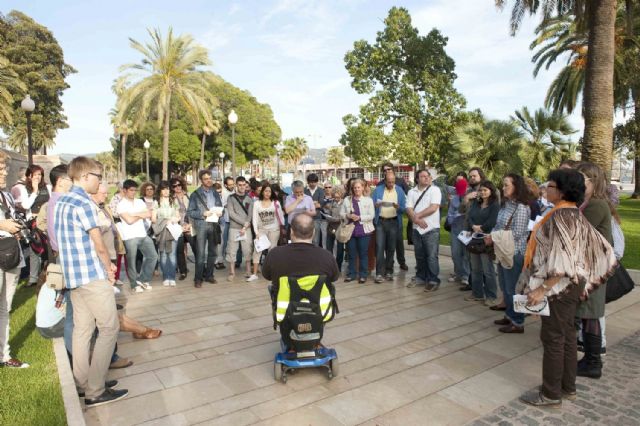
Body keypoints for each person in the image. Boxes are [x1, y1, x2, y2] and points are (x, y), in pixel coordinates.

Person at [519, 168, 616, 408]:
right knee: (568, 337)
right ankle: (567, 388)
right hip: (571, 285)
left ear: (561, 190)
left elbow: (562, 261)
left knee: (553, 338)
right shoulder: (572, 213)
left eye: (550, 185)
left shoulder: (561, 217)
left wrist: (542, 289)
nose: (545, 189)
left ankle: (551, 394)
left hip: (558, 288)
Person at [54, 156, 128, 406]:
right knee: (109, 328)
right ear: (85, 176)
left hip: (73, 278)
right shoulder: (84, 202)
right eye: (98, 176)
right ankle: (95, 391)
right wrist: (109, 269)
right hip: (92, 276)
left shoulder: (62, 201)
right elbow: (98, 243)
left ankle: (83, 382)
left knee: (82, 331)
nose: (100, 181)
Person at [262, 214, 340, 347]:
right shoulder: (326, 256)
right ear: (314, 232)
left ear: (291, 231)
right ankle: (314, 339)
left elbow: (267, 275)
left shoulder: (275, 254)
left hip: (286, 310)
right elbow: (334, 277)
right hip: (318, 311)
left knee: (273, 288)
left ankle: (290, 341)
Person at [575, 162, 615, 378]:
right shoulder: (588, 202)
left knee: (590, 314)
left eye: (582, 179)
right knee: (588, 315)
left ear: (593, 181)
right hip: (589, 267)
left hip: (593, 269)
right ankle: (591, 360)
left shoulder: (596, 205)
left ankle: (593, 362)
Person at [485, 174, 530, 333]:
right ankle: (509, 315)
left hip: (515, 253)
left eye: (506, 185)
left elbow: (517, 233)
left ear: (516, 187)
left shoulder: (522, 208)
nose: (503, 188)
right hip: (503, 250)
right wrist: (490, 234)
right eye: (503, 185)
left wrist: (494, 236)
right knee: (505, 286)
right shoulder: (505, 205)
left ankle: (518, 322)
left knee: (513, 289)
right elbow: (498, 225)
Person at [0, 152, 29, 368]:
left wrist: (16, 230)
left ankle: (4, 355)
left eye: (5, 169)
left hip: (11, 253)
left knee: (5, 307)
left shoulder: (6, 195)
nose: (4, 173)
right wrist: (3, 226)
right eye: (0, 169)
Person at [117, 180, 158, 293]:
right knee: (132, 262)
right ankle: (134, 284)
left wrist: (134, 214)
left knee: (153, 256)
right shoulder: (121, 205)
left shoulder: (139, 202)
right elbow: (129, 221)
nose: (133, 192)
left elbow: (148, 214)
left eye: (135, 190)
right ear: (124, 190)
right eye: (131, 190)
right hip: (130, 237)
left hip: (143, 234)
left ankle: (143, 279)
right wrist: (140, 215)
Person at [14, 164, 51, 286]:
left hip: (47, 220)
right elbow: (25, 206)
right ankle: (33, 278)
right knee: (34, 250)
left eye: (40, 175)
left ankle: (49, 275)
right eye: (35, 175)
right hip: (33, 222)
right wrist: (35, 191)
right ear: (29, 176)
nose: (37, 177)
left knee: (48, 249)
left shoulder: (48, 187)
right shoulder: (24, 189)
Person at [464, 180, 500, 306]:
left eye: (485, 190)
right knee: (475, 269)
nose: (483, 192)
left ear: (491, 191)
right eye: (481, 190)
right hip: (474, 239)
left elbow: (493, 221)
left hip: (486, 239)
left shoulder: (495, 205)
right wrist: (473, 226)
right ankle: (477, 293)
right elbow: (469, 217)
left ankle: (491, 296)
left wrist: (481, 228)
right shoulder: (475, 203)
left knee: (488, 270)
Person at [406, 170, 442, 291]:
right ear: (417, 179)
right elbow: (409, 208)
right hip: (417, 229)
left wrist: (417, 217)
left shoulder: (435, 190)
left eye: (428, 176)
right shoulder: (411, 192)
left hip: (431, 228)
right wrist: (417, 220)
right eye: (423, 176)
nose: (426, 178)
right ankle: (421, 277)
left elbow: (434, 207)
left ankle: (433, 279)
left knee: (431, 256)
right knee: (419, 255)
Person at [187, 170, 223, 288]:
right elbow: (190, 212)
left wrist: (220, 213)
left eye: (210, 178)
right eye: (206, 179)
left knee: (213, 253)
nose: (209, 180)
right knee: (201, 254)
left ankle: (209, 275)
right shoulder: (195, 194)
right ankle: (198, 279)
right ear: (201, 181)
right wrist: (203, 213)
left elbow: (220, 206)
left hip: (214, 225)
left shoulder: (215, 193)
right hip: (201, 226)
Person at [372, 171, 406, 283]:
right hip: (381, 222)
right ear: (385, 181)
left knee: (391, 248)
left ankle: (389, 272)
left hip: (393, 222)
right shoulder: (378, 190)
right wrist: (376, 205)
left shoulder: (399, 191)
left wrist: (398, 207)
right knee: (379, 247)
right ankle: (379, 274)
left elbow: (404, 209)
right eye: (389, 182)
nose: (391, 184)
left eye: (393, 182)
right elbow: (372, 205)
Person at [340, 178, 375, 283]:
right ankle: (352, 274)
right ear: (352, 189)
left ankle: (363, 274)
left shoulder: (368, 200)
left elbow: (371, 215)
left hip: (364, 230)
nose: (356, 189)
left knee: (363, 253)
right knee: (351, 253)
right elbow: (341, 214)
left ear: (363, 188)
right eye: (355, 188)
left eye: (359, 187)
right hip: (350, 230)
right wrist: (348, 215)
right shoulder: (347, 200)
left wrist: (359, 217)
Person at [377, 162, 409, 270]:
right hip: (384, 217)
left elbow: (407, 195)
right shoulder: (380, 184)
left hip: (396, 218)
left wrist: (401, 205)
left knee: (399, 242)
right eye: (385, 170)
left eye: (389, 169)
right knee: (386, 244)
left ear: (393, 170)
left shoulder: (400, 182)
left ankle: (402, 262)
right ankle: (388, 264)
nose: (387, 171)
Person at [249, 182, 284, 282]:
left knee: (272, 251)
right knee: (257, 250)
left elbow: (281, 216)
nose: (267, 193)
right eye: (266, 191)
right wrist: (256, 232)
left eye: (269, 191)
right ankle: (254, 273)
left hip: (274, 230)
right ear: (262, 192)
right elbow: (254, 219)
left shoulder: (276, 203)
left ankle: (272, 273)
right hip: (261, 230)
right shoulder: (256, 203)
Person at [152, 181, 181, 287]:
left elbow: (178, 216)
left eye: (168, 189)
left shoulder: (174, 201)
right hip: (162, 231)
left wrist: (174, 219)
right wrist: (165, 220)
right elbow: (153, 219)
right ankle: (165, 277)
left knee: (172, 255)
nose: (166, 191)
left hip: (173, 231)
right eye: (164, 189)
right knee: (163, 255)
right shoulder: (156, 202)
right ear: (160, 190)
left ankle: (172, 277)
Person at [225, 176, 253, 282]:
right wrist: (244, 223)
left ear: (246, 185)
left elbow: (250, 214)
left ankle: (248, 270)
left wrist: (245, 226)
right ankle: (232, 272)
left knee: (247, 249)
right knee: (232, 249)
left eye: (244, 185)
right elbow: (231, 214)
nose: (242, 187)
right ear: (236, 185)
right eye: (240, 185)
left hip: (246, 229)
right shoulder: (231, 198)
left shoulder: (250, 199)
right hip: (234, 228)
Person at [446, 172, 470, 288]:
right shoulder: (454, 198)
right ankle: (458, 273)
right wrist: (455, 216)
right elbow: (450, 215)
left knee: (465, 254)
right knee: (455, 253)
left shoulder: (471, 197)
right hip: (455, 228)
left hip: (466, 229)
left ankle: (465, 275)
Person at [170, 177, 194, 281]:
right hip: (177, 227)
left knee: (196, 247)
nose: (177, 187)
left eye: (179, 185)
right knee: (180, 250)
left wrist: (190, 224)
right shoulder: (171, 198)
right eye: (174, 186)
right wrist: (179, 226)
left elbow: (193, 211)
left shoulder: (188, 196)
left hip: (189, 226)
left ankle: (202, 268)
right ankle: (183, 271)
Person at [325, 186, 346, 272]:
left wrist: (341, 219)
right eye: (335, 197)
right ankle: (330, 265)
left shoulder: (345, 203)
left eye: (338, 197)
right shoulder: (331, 204)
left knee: (340, 249)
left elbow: (346, 215)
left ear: (341, 195)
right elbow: (328, 215)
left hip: (340, 227)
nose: (336, 199)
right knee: (329, 248)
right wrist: (328, 216)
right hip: (331, 227)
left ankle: (338, 266)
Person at [304, 173, 326, 247]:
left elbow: (320, 204)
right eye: (310, 182)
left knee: (316, 239)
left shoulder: (320, 191)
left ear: (317, 182)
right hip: (306, 218)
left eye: (314, 182)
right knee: (306, 238)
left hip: (317, 218)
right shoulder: (304, 190)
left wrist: (309, 204)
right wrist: (314, 203)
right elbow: (302, 204)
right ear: (308, 182)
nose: (312, 184)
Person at [219, 176, 236, 269]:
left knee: (232, 240)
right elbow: (222, 205)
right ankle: (220, 258)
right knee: (223, 241)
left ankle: (230, 257)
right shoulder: (223, 193)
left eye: (233, 184)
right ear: (225, 185)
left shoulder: (234, 191)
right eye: (230, 185)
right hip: (226, 219)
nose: (232, 186)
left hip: (234, 220)